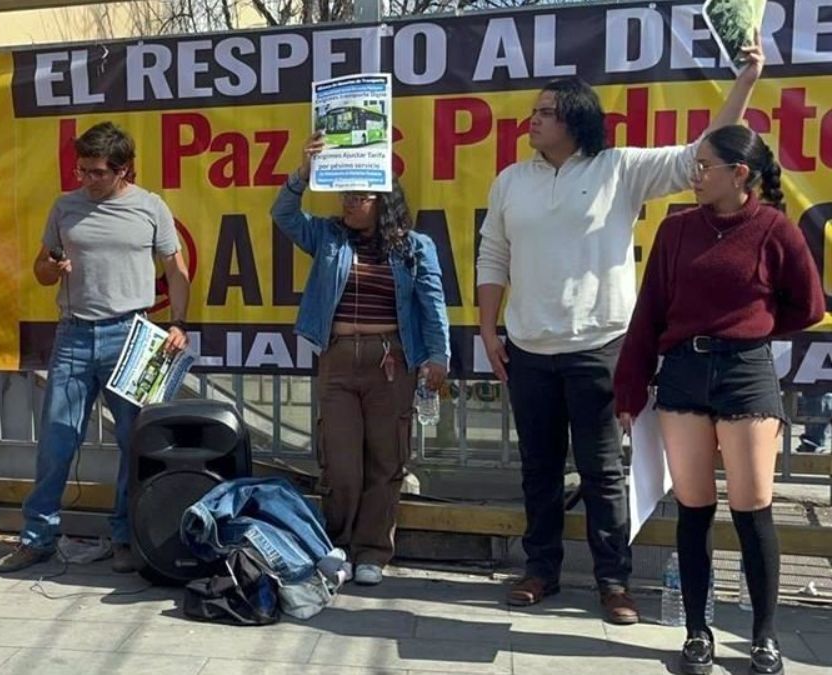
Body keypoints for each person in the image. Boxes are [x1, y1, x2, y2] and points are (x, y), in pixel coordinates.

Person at [475, 41, 766, 623]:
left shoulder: (620, 169)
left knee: (604, 471)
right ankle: (540, 570)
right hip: (527, 347)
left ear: (577, 120)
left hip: (600, 344)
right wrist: (488, 330)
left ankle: (614, 582)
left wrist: (748, 81)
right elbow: (492, 255)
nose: (532, 120)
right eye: (532, 112)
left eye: (545, 112)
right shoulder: (511, 180)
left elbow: (699, 156)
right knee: (538, 467)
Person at [614, 125, 823, 675]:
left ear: (741, 174)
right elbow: (649, 313)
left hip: (746, 370)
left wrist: (753, 326)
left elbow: (808, 305)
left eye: (705, 166)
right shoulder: (677, 228)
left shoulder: (775, 229)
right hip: (683, 371)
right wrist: (629, 389)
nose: (695, 174)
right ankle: (697, 633)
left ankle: (764, 637)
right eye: (695, 164)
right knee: (693, 507)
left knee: (753, 507)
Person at [0, 121, 190, 574]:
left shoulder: (150, 208)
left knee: (134, 442)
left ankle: (125, 536)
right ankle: (38, 536)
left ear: (125, 170)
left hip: (132, 335)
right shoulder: (65, 208)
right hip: (74, 333)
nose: (87, 179)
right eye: (82, 170)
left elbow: (175, 269)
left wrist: (178, 324)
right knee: (57, 439)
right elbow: (41, 270)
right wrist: (51, 266)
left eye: (98, 172)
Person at [271, 133, 450, 586]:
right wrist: (302, 175)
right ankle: (337, 546)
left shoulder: (414, 247)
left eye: (360, 195)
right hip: (337, 360)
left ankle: (372, 551)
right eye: (346, 194)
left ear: (383, 199)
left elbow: (432, 303)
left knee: (385, 460)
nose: (350, 202)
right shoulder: (329, 236)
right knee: (341, 462)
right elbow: (283, 215)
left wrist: (438, 356)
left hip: (391, 362)